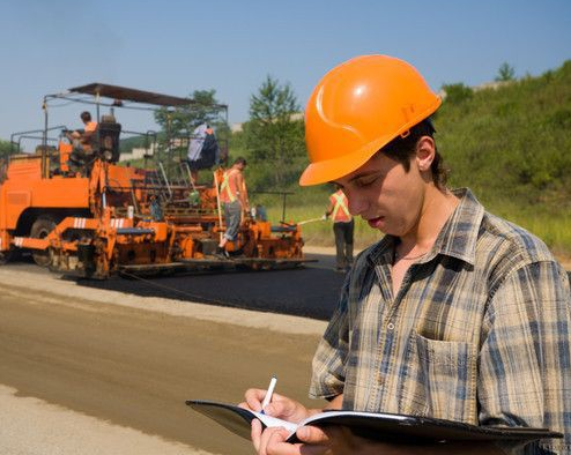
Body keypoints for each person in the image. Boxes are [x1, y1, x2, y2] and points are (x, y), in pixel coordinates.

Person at [241, 55, 571, 454]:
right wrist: (310, 424)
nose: (357, 206)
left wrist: (359, 451)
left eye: (366, 181)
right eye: (344, 188)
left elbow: (534, 446)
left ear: (423, 153)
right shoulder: (367, 270)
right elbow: (355, 400)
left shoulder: (512, 267)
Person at [218, 157, 249, 257]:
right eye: (243, 167)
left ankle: (235, 249)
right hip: (234, 202)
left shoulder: (226, 173)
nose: (243, 169)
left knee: (230, 226)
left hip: (225, 203)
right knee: (234, 225)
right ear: (240, 164)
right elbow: (241, 191)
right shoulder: (238, 174)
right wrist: (245, 207)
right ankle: (221, 247)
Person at [325, 184, 354, 271]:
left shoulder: (333, 196)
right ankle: (350, 262)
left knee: (340, 242)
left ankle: (341, 265)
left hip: (338, 222)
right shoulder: (348, 194)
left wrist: (326, 215)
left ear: (336, 187)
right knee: (349, 241)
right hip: (349, 220)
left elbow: (329, 210)